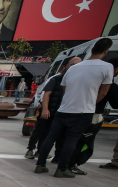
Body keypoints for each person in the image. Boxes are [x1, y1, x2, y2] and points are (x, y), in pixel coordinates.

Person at [35, 37, 115, 177]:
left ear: (92, 49)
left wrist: (71, 100)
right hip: (83, 111)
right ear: (106, 51)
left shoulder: (74, 67)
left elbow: (64, 88)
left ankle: (40, 165)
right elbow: (103, 92)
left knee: (51, 137)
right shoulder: (107, 67)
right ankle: (62, 169)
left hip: (64, 109)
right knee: (71, 140)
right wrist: (90, 102)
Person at [25, 57, 81, 159]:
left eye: (78, 65)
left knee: (49, 134)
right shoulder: (56, 78)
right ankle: (30, 149)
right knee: (39, 131)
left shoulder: (78, 81)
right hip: (48, 110)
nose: (75, 67)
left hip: (60, 113)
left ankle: (41, 152)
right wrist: (44, 109)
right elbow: (45, 94)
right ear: (65, 66)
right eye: (73, 65)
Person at [69, 59, 118, 174]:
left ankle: (65, 163)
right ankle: (72, 164)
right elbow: (116, 103)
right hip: (93, 115)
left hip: (74, 111)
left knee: (72, 139)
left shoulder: (86, 79)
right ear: (115, 70)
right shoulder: (109, 85)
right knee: (85, 142)